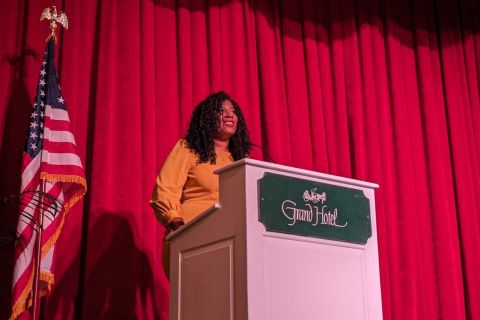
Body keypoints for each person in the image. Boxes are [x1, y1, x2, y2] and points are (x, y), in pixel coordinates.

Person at [150, 92, 252, 271]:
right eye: (221, 110)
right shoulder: (188, 149)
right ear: (207, 118)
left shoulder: (241, 160)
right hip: (191, 237)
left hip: (231, 241)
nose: (229, 114)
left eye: (233, 111)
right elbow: (165, 189)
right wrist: (178, 226)